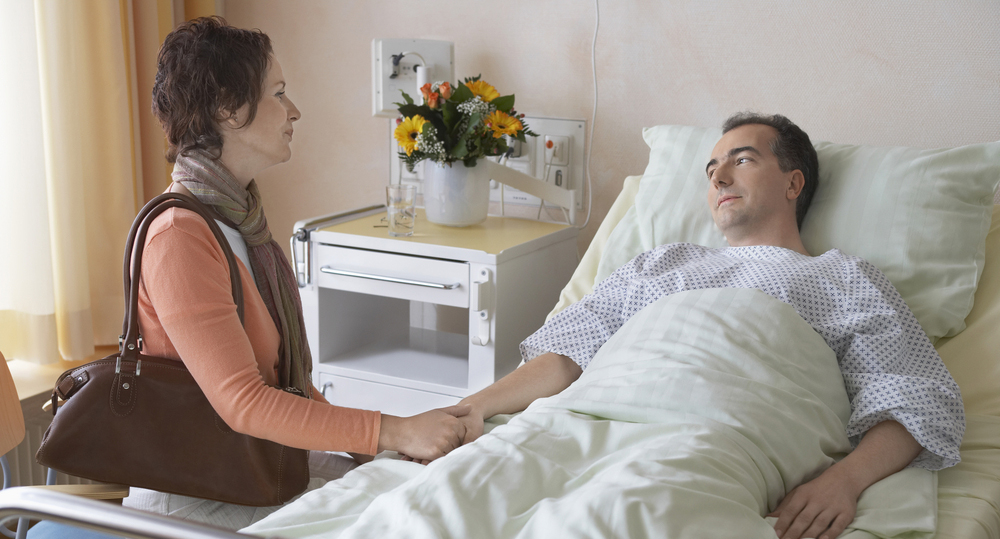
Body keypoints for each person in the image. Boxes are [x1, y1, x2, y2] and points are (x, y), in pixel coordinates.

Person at [433, 113, 964, 539]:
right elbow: (570, 350)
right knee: (449, 499)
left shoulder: (843, 277)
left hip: (713, 431)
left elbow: (913, 398)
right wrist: (475, 406)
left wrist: (844, 481)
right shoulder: (660, 263)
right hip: (582, 420)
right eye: (711, 170)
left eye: (743, 159)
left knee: (630, 513)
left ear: (793, 182)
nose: (719, 177)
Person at [86, 15, 469, 528]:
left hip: (261, 463)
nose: (294, 111)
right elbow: (244, 403)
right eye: (279, 93)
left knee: (428, 493)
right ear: (227, 107)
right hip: (201, 493)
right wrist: (393, 431)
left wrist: (371, 449)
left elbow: (283, 385)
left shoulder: (242, 223)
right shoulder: (179, 235)